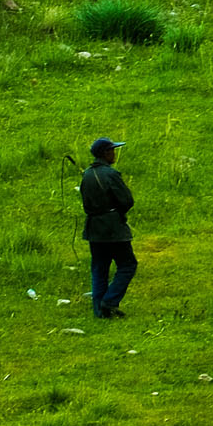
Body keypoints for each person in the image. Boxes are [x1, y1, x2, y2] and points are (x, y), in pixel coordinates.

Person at [79, 137, 136, 320]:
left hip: (94, 229)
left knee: (99, 268)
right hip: (113, 229)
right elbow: (127, 200)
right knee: (127, 265)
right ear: (105, 153)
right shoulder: (111, 174)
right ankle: (110, 302)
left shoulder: (87, 174)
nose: (114, 153)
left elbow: (86, 205)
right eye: (112, 150)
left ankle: (99, 310)